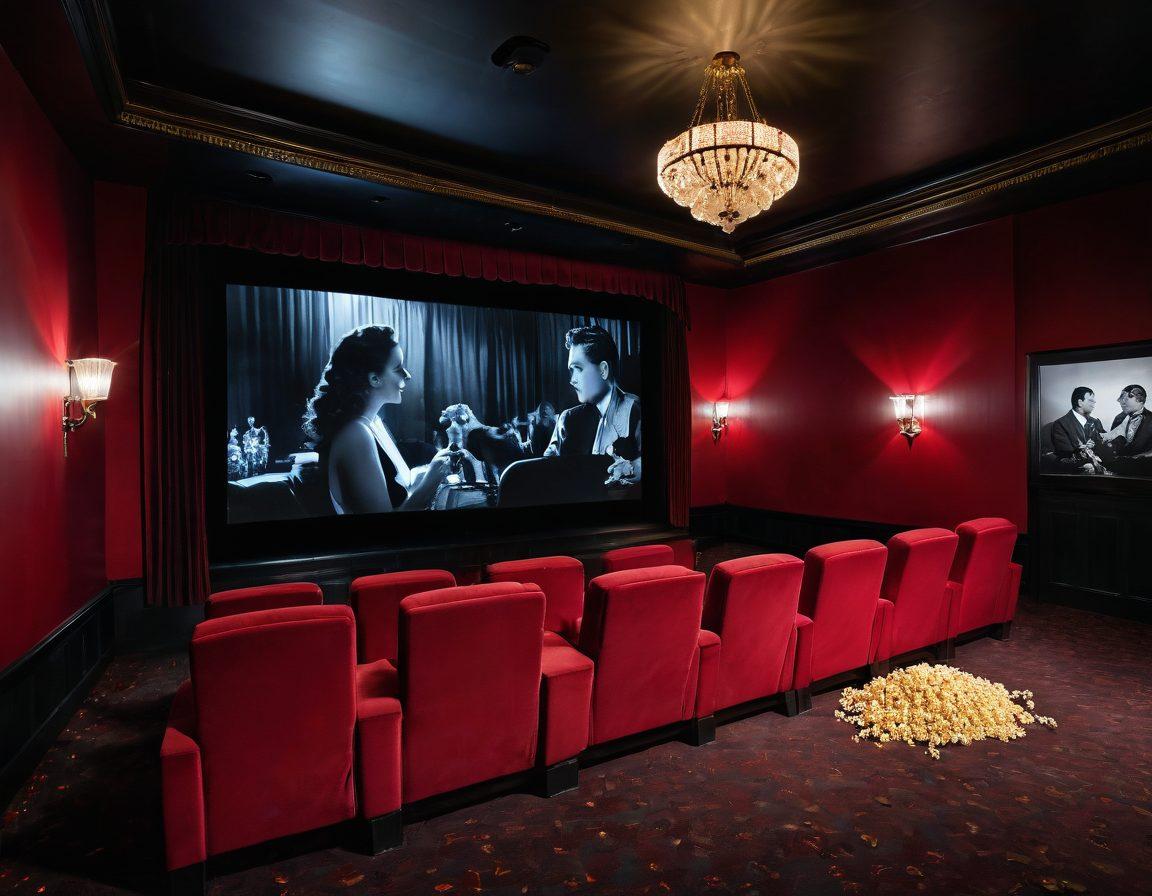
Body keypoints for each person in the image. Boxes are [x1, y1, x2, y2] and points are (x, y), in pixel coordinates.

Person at [302, 325, 468, 514]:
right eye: (398, 369)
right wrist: (431, 481)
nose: (407, 375)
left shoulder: (373, 424)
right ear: (374, 379)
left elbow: (402, 484)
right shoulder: (355, 434)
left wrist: (434, 466)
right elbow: (383, 530)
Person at [544, 325, 641, 484]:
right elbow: (545, 470)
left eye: (578, 369)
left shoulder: (634, 408)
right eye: (571, 370)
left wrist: (634, 467)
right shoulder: (567, 420)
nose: (572, 380)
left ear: (603, 370)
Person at [1048, 386, 1106, 472]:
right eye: (1090, 400)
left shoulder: (1096, 422)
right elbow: (1065, 454)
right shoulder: (1060, 424)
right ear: (1080, 402)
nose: (1094, 402)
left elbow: (1105, 446)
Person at [1099, 384, 1152, 459]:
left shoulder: (1150, 419)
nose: (1120, 401)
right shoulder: (1119, 418)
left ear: (1139, 400)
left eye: (1125, 398)